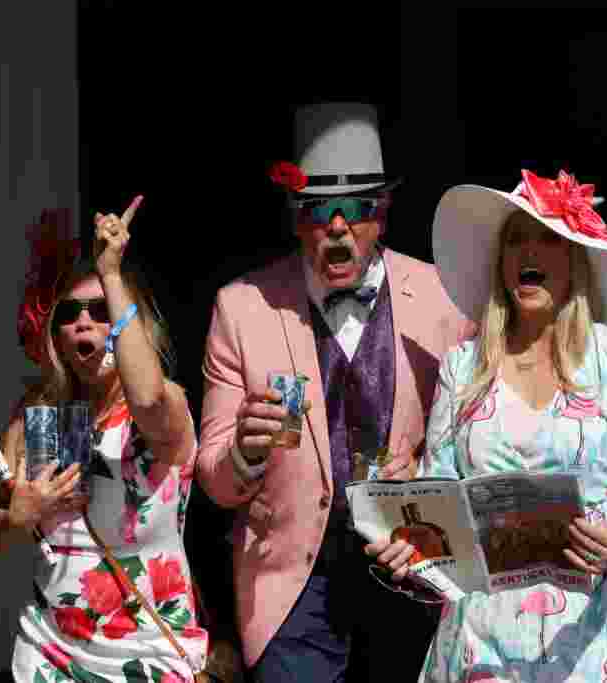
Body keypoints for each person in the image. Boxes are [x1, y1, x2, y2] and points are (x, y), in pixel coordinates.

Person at [194, 102, 470, 682]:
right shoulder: (241, 307)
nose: (338, 227)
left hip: (410, 569)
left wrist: (422, 470)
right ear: (296, 218)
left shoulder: (445, 299)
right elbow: (214, 479)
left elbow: (475, 444)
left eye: (357, 208)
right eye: (321, 211)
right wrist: (245, 447)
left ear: (384, 212)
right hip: (291, 585)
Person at [370, 169, 607, 681]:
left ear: (573, 259)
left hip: (596, 634)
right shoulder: (463, 368)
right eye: (516, 240)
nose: (528, 253)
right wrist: (410, 538)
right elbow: (442, 497)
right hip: (483, 642)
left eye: (546, 239)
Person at [0, 202, 210, 681]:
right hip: (49, 649)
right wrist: (13, 517)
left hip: (147, 651)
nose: (85, 322)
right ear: (57, 336)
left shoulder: (165, 404)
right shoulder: (37, 415)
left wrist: (111, 272)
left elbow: (145, 396)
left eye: (103, 311)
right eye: (70, 313)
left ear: (132, 321)